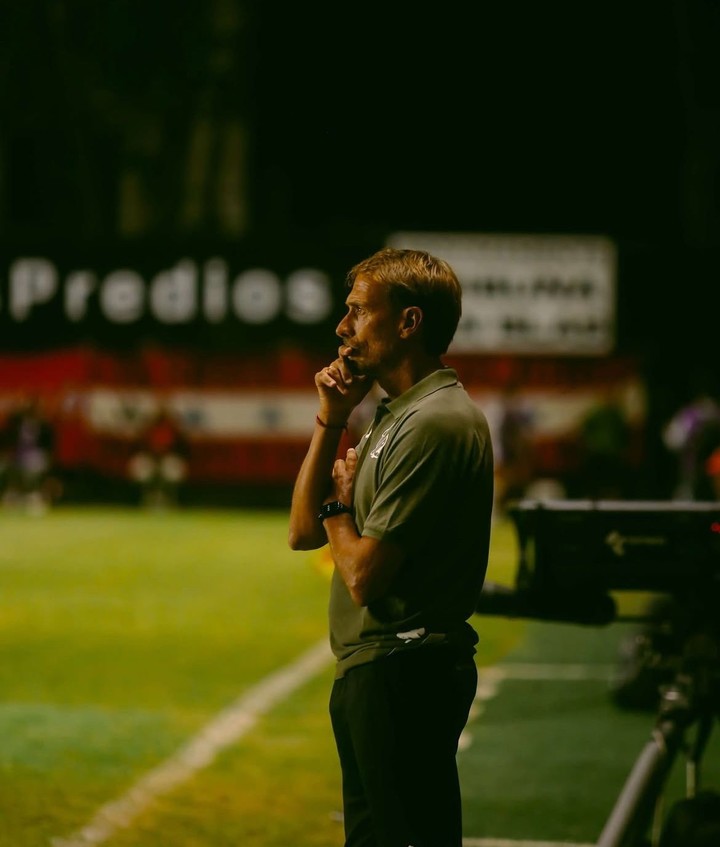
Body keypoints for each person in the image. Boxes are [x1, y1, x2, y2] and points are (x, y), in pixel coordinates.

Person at [288, 247, 495, 847]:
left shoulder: (434, 422)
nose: (342, 327)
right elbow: (302, 532)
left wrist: (338, 509)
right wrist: (331, 420)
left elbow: (364, 577)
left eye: (358, 310)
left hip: (405, 671)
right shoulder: (393, 416)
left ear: (409, 322)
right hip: (379, 669)